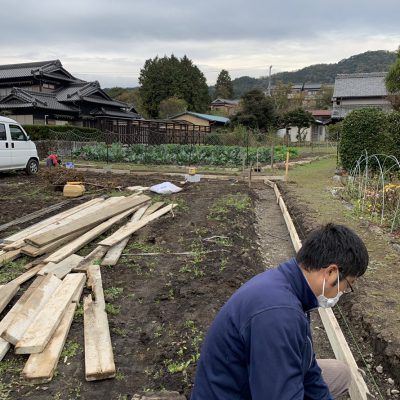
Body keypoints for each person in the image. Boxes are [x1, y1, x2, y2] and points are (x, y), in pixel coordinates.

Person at [191, 223, 369, 400]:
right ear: (331, 272)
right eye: (347, 285)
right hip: (234, 393)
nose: (342, 292)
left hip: (247, 380)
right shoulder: (279, 314)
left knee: (339, 373)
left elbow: (308, 369)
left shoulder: (289, 286)